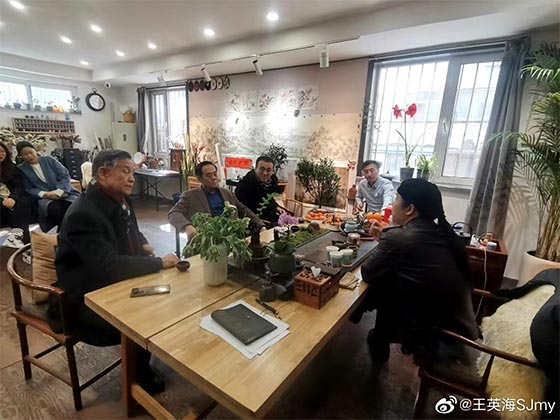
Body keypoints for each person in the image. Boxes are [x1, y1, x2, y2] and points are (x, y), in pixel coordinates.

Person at [48, 149, 179, 393]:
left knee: (167, 296)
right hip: (86, 296)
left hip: (115, 281)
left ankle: (146, 357)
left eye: (133, 172)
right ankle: (138, 377)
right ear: (103, 174)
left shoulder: (121, 199)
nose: (132, 178)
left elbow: (131, 229)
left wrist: (141, 243)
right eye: (125, 172)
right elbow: (108, 266)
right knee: (143, 316)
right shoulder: (83, 214)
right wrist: (158, 262)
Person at [355, 178, 478, 365]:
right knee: (388, 281)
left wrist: (386, 240)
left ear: (410, 209)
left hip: (438, 334)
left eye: (396, 199)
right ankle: (376, 333)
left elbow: (368, 272)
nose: (393, 204)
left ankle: (378, 337)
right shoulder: (443, 234)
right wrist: (386, 239)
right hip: (458, 324)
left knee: (384, 286)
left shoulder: (400, 237)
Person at [169, 161, 264, 239]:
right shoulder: (190, 195)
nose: (214, 178)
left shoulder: (227, 193)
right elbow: (174, 213)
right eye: (209, 175)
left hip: (231, 237)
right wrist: (187, 226)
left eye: (215, 174)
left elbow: (243, 209)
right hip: (207, 239)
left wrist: (260, 225)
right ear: (199, 179)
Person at [16, 141, 80, 232]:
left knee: (72, 206)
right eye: (25, 154)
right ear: (21, 156)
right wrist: (45, 194)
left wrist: (59, 191)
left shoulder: (49, 160)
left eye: (31, 152)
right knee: (55, 209)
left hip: (65, 192)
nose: (29, 156)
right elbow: (28, 188)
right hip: (45, 197)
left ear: (35, 150)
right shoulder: (22, 169)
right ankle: (62, 233)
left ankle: (74, 231)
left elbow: (64, 175)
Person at [0, 142, 33, 244]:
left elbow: (18, 185)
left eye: (2, 151)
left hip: (13, 197)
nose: (1, 154)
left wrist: (13, 198)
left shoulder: (12, 167)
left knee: (21, 206)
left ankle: (24, 244)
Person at [235, 156, 282, 226]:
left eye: (268, 170)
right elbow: (240, 206)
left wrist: (276, 206)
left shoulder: (272, 182)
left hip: (271, 217)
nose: (265, 173)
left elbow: (269, 199)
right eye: (262, 169)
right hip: (253, 220)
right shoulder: (245, 185)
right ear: (255, 169)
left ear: (272, 171)